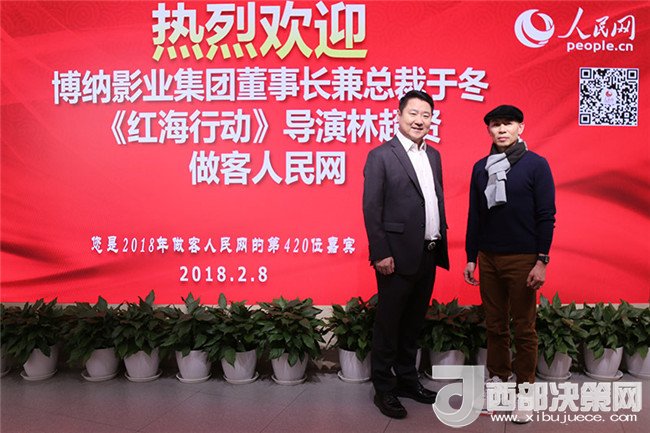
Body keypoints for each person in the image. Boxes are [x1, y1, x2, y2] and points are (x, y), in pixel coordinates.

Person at [463, 105, 556, 423]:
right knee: (495, 325)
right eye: (495, 124)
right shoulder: (481, 167)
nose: (501, 129)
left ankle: (525, 393)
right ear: (489, 130)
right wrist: (471, 257)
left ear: (521, 127)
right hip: (488, 257)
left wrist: (541, 260)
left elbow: (546, 215)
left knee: (524, 328)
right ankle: (498, 383)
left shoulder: (536, 165)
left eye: (508, 123)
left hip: (523, 259)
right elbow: (475, 214)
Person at [362, 89, 449, 419]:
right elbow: (372, 208)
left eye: (426, 115)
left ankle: (407, 380)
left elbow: (433, 200)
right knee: (389, 324)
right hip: (395, 256)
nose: (419, 120)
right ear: (399, 116)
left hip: (428, 251)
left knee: (413, 323)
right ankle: (384, 388)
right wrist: (380, 252)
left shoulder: (434, 156)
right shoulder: (381, 156)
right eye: (413, 113)